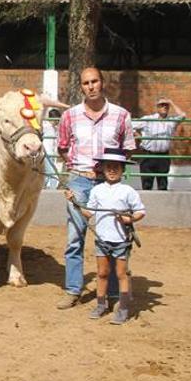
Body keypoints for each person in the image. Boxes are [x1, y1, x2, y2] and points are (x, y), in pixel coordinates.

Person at [56, 67, 136, 310]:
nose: (90, 86)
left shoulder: (121, 115)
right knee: (74, 238)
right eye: (85, 83)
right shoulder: (70, 116)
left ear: (102, 83)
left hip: (109, 183)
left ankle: (112, 291)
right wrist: (76, 170)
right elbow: (62, 147)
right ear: (81, 87)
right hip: (80, 181)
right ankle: (72, 289)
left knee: (112, 236)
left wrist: (109, 169)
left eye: (94, 81)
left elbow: (129, 147)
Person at [65, 148, 145, 325]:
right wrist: (74, 202)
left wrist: (128, 218)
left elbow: (140, 212)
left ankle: (123, 308)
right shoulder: (97, 191)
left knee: (121, 273)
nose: (112, 170)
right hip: (102, 240)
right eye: (109, 167)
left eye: (116, 167)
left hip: (121, 241)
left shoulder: (128, 191)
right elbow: (90, 213)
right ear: (102, 169)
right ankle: (101, 304)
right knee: (102, 273)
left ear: (122, 169)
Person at [133, 97, 186, 191]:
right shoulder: (148, 119)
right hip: (148, 155)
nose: (164, 107)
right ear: (157, 107)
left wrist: (171, 102)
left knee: (162, 184)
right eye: (162, 105)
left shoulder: (171, 121)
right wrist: (140, 137)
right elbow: (130, 125)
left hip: (163, 156)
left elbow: (183, 115)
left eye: (166, 105)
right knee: (147, 184)